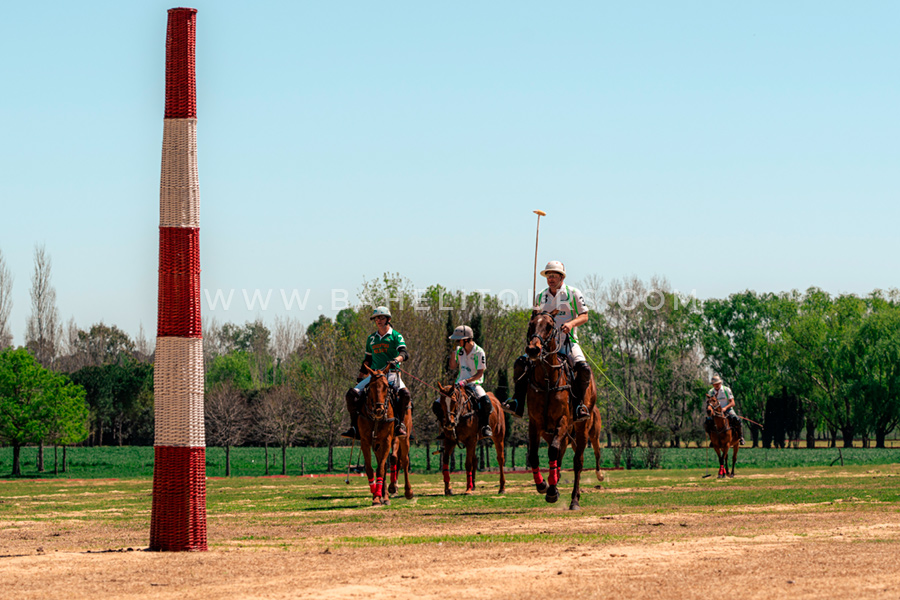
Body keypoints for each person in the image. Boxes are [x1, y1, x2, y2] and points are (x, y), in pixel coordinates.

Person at [502, 260, 592, 421]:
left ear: (561, 277)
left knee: (584, 369)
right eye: (548, 276)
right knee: (520, 364)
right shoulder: (541, 296)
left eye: (554, 276)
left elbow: (584, 316)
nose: (551, 278)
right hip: (543, 345)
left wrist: (571, 324)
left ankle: (579, 406)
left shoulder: (573, 293)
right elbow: (535, 319)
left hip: (567, 342)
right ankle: (517, 401)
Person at [341, 306, 411, 440]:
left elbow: (404, 353)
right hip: (374, 375)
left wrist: (396, 360)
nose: (378, 320)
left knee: (405, 394)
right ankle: (354, 427)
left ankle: (399, 425)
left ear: (388, 319)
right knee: (351, 394)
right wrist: (360, 377)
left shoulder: (396, 336)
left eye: (381, 317)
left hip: (391, 374)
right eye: (376, 318)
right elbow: (367, 360)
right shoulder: (371, 338)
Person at [432, 325, 493, 438]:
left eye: (458, 340)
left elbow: (480, 373)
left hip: (474, 383)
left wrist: (466, 381)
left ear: (466, 340)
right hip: (459, 384)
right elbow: (452, 366)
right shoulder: (459, 351)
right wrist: (453, 353)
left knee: (486, 402)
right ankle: (444, 427)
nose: (456, 342)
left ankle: (485, 426)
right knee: (437, 404)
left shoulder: (479, 352)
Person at [705, 375, 744, 444]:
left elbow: (732, 402)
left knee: (736, 419)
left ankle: (740, 437)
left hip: (727, 409)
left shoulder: (726, 390)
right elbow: (710, 403)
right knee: (707, 422)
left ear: (720, 383)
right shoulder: (710, 392)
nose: (717, 385)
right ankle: (712, 439)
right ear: (713, 384)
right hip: (716, 412)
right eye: (715, 384)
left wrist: (725, 408)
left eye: (718, 383)